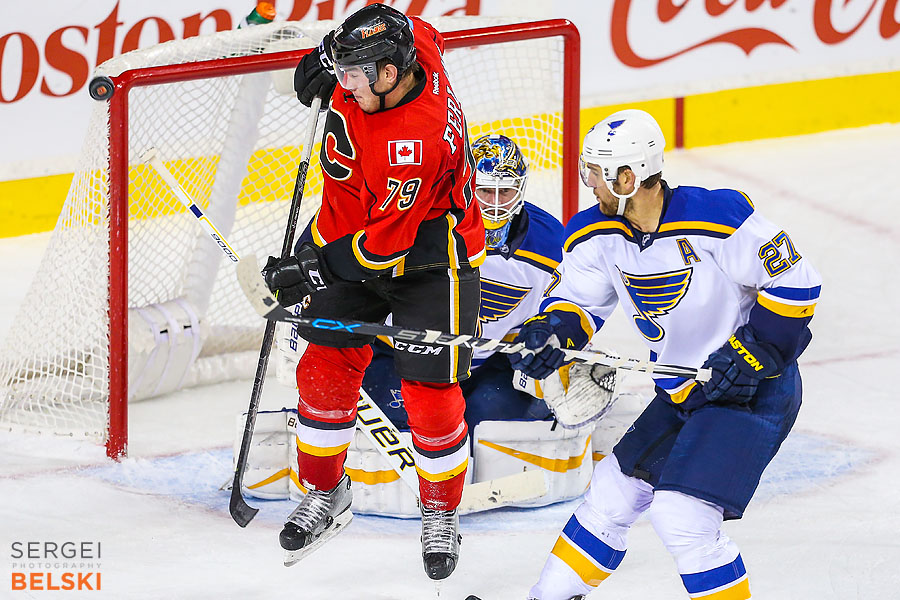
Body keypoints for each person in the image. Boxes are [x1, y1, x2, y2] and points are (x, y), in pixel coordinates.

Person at [510, 109, 821, 600]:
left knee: (683, 518)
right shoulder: (594, 233)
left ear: (629, 177)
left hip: (753, 391)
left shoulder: (718, 217)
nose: (588, 181)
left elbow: (796, 284)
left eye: (597, 171)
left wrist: (750, 354)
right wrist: (550, 334)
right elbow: (576, 303)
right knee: (609, 498)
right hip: (683, 390)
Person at [262, 3, 484, 580]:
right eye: (344, 74)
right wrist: (325, 57)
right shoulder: (415, 47)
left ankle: (439, 512)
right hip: (349, 227)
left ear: (391, 73)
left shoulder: (416, 139)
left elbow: (383, 250)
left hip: (431, 253)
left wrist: (312, 271)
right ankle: (326, 494)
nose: (347, 86)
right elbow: (414, 23)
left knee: (430, 397)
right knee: (321, 371)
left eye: (357, 77)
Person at [362, 133, 562, 432]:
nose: (494, 205)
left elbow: (564, 305)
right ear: (467, 185)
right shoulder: (422, 222)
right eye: (484, 191)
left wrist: (551, 333)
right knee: (408, 426)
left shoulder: (549, 243)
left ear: (521, 189)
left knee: (506, 427)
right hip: (405, 358)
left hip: (490, 364)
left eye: (504, 191)